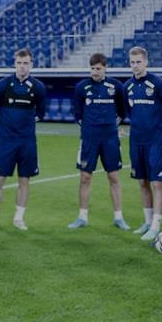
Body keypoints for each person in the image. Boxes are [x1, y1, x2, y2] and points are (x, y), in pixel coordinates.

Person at [0, 48, 47, 231]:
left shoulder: (38, 87)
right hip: (5, 142)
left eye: (25, 63)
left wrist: (23, 126)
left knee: (24, 180)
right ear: (14, 64)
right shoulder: (3, 84)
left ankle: (19, 219)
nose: (22, 66)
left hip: (27, 142)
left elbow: (40, 114)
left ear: (31, 65)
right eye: (19, 63)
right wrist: (9, 127)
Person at [67, 53, 129, 230]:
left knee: (114, 177)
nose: (95, 72)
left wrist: (111, 126)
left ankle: (119, 217)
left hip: (110, 139)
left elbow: (122, 111)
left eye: (98, 68)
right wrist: (89, 128)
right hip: (89, 139)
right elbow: (77, 113)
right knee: (85, 177)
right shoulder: (82, 87)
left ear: (105, 68)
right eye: (92, 68)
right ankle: (82, 217)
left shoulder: (116, 86)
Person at [123, 46, 162, 242]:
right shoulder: (127, 86)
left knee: (157, 183)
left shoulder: (158, 84)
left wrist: (161, 135)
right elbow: (129, 112)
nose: (135, 66)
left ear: (146, 62)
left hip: (155, 141)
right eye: (132, 62)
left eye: (138, 62)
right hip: (136, 141)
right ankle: (147, 222)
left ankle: (156, 225)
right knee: (142, 182)